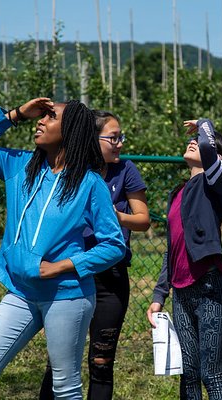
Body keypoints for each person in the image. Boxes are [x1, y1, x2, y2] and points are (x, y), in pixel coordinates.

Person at [0, 98, 126, 399]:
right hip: (20, 293)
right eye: (41, 116)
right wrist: (16, 114)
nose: (41, 121)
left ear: (70, 129)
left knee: (65, 388)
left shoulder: (89, 184)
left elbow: (114, 245)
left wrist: (62, 266)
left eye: (50, 117)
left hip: (67, 296)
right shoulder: (19, 166)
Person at [38, 110, 150, 399]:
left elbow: (143, 220)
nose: (120, 143)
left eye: (121, 137)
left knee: (101, 363)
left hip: (110, 279)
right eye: (113, 137)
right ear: (92, 139)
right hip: (70, 276)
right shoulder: (71, 172)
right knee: (60, 361)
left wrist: (114, 217)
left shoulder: (126, 170)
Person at [146, 118, 222, 400]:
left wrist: (204, 125)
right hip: (181, 292)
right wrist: (160, 293)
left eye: (200, 140)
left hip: (208, 285)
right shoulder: (179, 193)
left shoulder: (216, 185)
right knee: (189, 374)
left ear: (216, 158)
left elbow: (207, 145)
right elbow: (170, 251)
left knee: (213, 375)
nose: (193, 140)